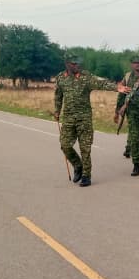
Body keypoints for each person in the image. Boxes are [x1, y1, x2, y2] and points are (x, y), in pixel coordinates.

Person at [52, 54, 96, 187]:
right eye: (74, 64)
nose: (77, 66)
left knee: (85, 148)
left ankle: (86, 176)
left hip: (84, 119)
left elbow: (102, 83)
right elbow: (58, 95)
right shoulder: (60, 78)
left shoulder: (86, 76)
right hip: (69, 118)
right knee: (64, 144)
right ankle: (78, 165)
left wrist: (117, 88)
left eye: (78, 63)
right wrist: (57, 110)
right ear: (67, 64)